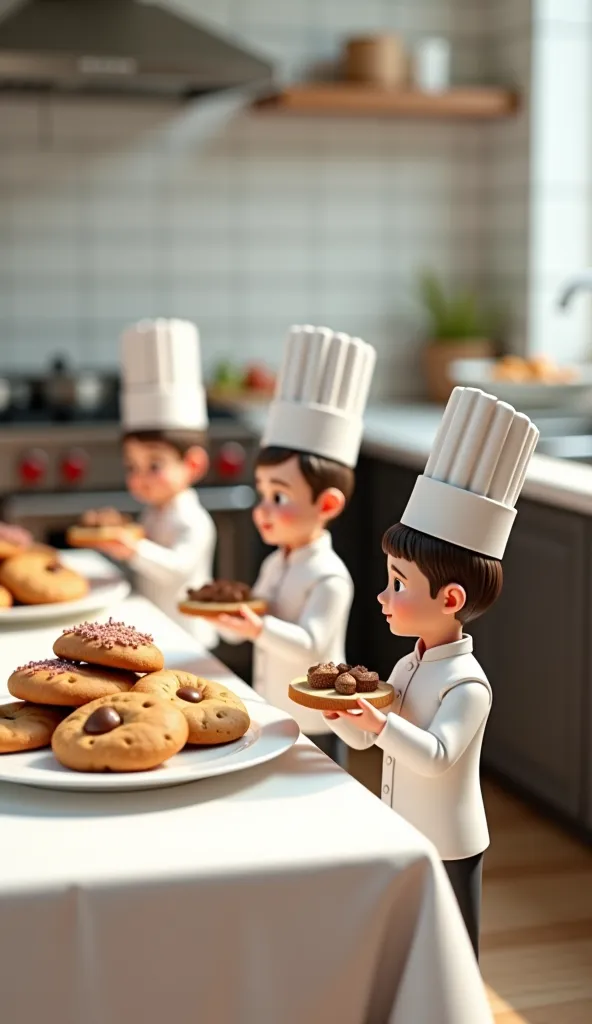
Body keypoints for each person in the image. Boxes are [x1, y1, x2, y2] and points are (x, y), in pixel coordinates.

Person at [324, 386, 540, 958]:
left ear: (449, 597)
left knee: (453, 946)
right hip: (404, 826)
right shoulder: (407, 663)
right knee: (413, 941)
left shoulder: (468, 684)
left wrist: (375, 724)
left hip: (448, 840)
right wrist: (341, 717)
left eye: (398, 583)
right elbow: (376, 734)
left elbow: (436, 755)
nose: (383, 595)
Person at [216, 324, 376, 761]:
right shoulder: (275, 563)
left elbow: (311, 644)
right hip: (273, 705)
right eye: (263, 493)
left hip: (317, 718)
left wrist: (256, 628)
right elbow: (260, 607)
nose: (263, 509)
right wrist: (231, 618)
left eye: (280, 496)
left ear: (326, 503)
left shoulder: (329, 576)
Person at [94, 319, 217, 648]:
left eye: (154, 465)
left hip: (187, 631)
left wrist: (132, 548)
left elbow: (175, 569)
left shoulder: (194, 520)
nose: (140, 478)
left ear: (193, 464)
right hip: (153, 625)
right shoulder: (151, 513)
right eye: (132, 466)